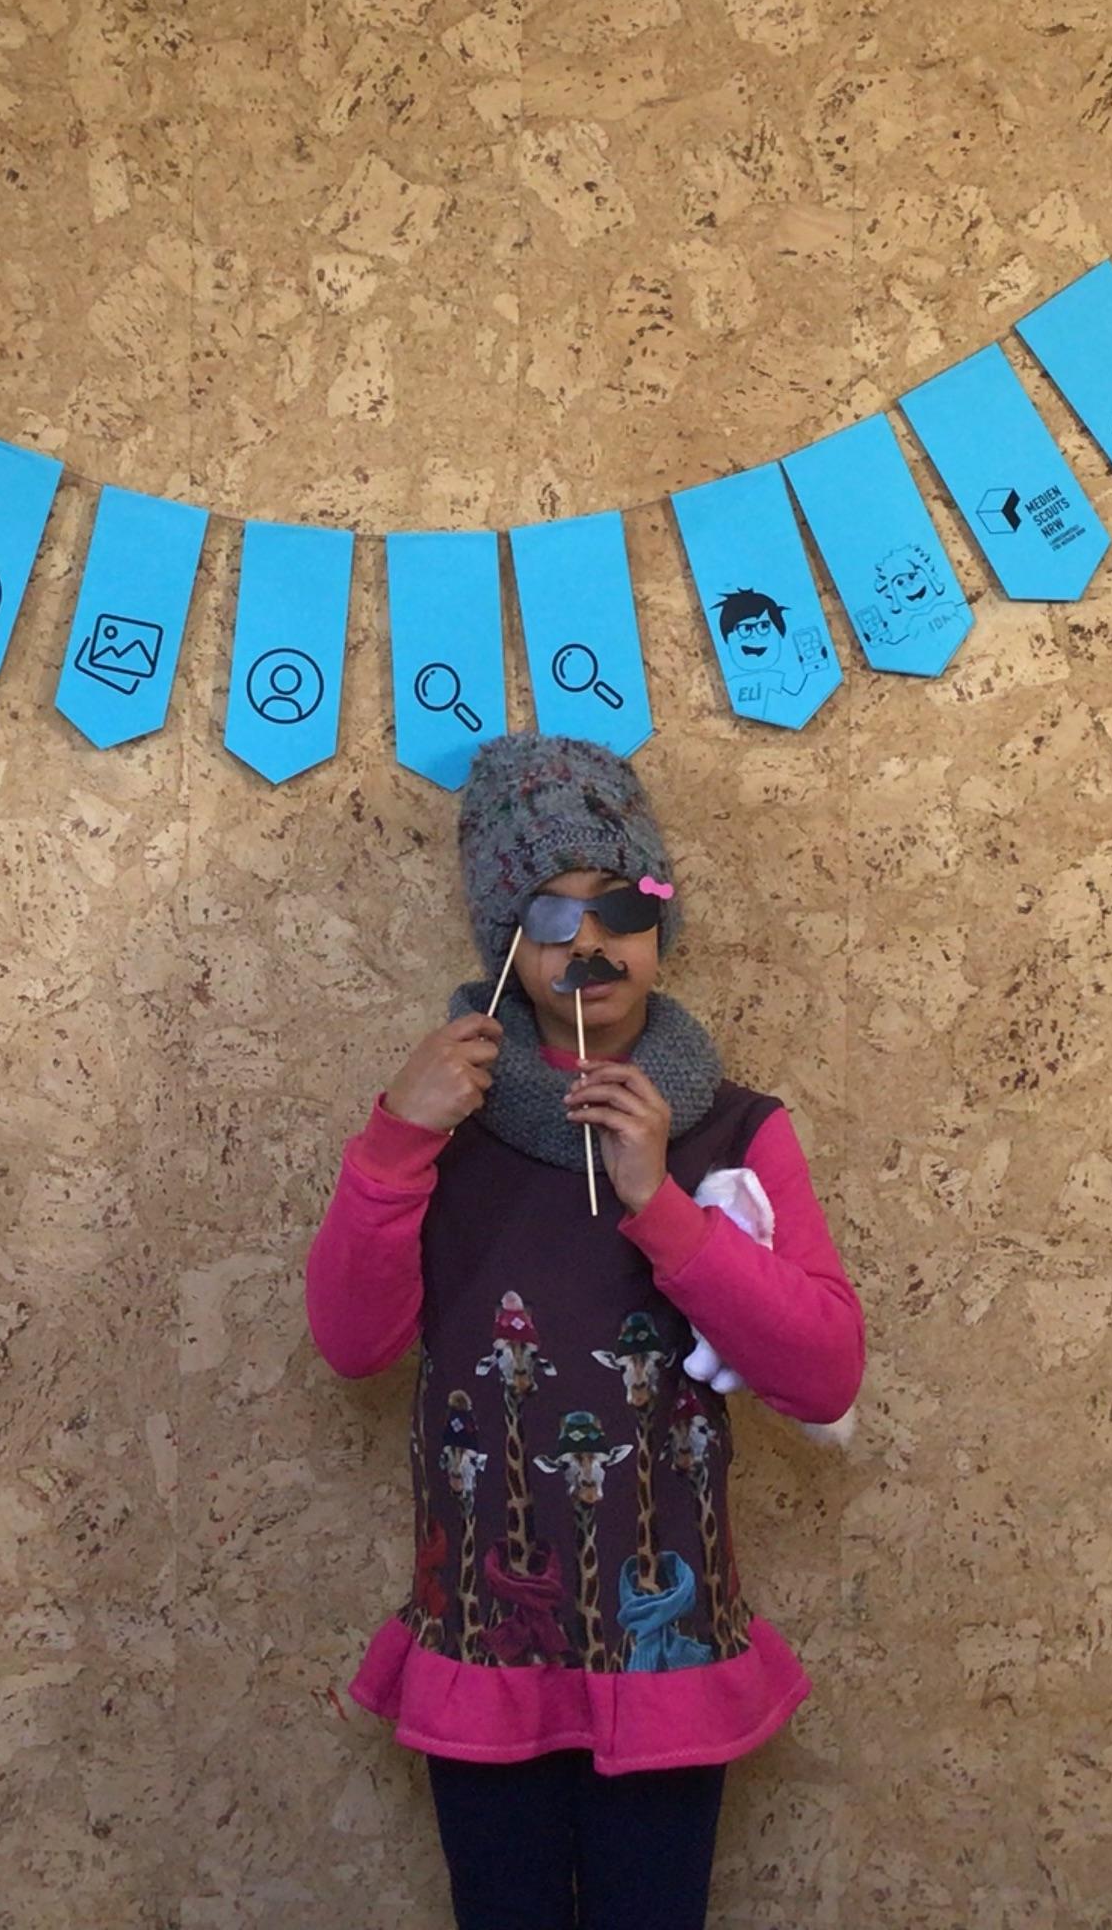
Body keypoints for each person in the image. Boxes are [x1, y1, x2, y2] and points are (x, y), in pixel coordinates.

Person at [306, 735, 865, 1930]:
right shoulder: (441, 1128)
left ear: (662, 922)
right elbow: (353, 1345)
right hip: (483, 1648)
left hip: (666, 1653)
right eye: (550, 916)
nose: (590, 943)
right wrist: (396, 1143)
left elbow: (824, 1374)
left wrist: (663, 1202)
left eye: (622, 906)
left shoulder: (735, 1132)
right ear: (507, 942)